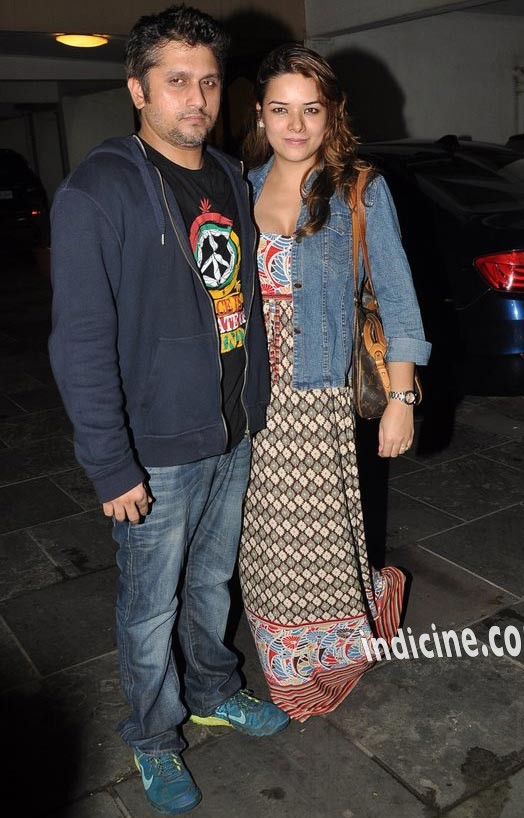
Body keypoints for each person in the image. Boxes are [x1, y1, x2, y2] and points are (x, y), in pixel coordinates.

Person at [48, 6, 289, 815]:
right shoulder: (100, 189)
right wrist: (111, 463)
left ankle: (215, 690)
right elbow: (79, 341)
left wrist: (253, 403)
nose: (197, 98)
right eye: (177, 81)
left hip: (229, 427)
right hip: (154, 449)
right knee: (148, 607)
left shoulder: (224, 173)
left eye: (209, 81)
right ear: (138, 90)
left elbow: (243, 298)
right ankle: (153, 736)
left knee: (212, 583)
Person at [239, 44, 431, 722]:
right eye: (280, 109)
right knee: (259, 541)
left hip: (315, 393)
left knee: (314, 540)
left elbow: (399, 300)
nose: (295, 125)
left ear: (331, 115)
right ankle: (286, 656)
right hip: (247, 394)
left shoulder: (358, 188)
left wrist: (401, 402)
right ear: (260, 114)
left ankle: (317, 660)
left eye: (310, 109)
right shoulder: (241, 183)